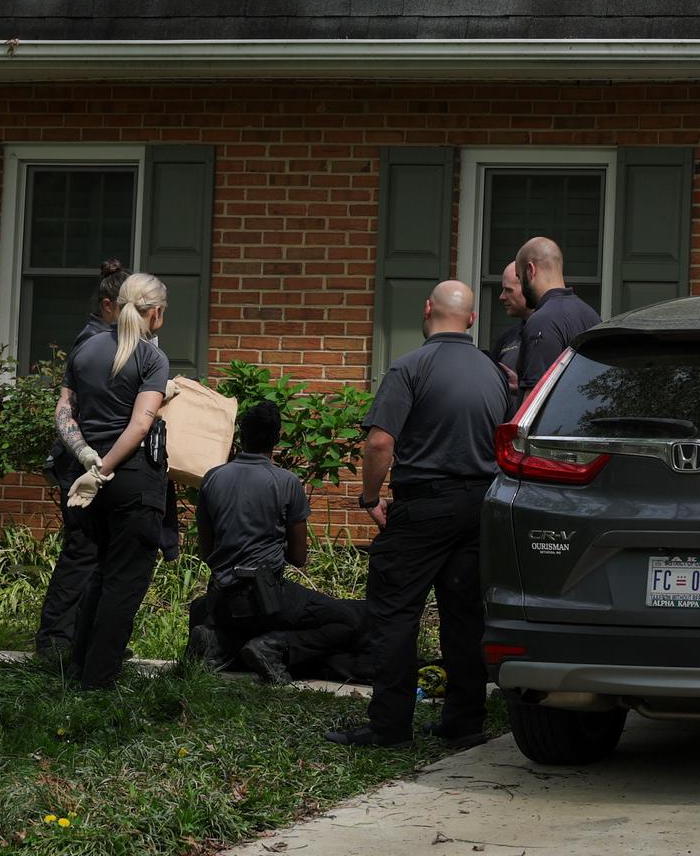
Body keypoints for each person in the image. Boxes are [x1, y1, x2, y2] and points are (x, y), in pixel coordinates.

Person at [324, 279, 506, 749]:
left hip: (424, 506)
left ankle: (390, 726)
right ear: (471, 319)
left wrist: (369, 498)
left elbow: (381, 442)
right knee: (464, 616)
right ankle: (464, 721)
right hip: (479, 507)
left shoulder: (410, 367)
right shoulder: (493, 372)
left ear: (428, 310)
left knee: (394, 614)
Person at [186, 400, 369, 682]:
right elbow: (298, 557)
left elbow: (207, 550)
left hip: (221, 600)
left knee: (236, 618)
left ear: (240, 435)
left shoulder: (213, 478)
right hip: (267, 599)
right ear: (277, 438)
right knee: (347, 620)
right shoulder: (286, 482)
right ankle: (274, 647)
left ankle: (220, 642)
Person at [62, 270, 173, 689]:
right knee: (124, 585)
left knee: (100, 574)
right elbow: (140, 426)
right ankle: (98, 682)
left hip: (88, 481)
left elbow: (64, 414)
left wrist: (86, 460)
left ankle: (78, 670)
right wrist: (105, 469)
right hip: (131, 482)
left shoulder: (86, 349)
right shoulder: (151, 357)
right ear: (156, 313)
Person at [35, 258, 127, 665]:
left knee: (95, 553)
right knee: (83, 552)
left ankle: (78, 638)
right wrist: (88, 456)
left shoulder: (118, 340)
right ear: (109, 305)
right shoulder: (92, 342)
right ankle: (55, 640)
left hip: (98, 465)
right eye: (131, 309)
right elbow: (70, 409)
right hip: (80, 466)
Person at [508, 237, 602, 394]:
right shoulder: (592, 317)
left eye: (519, 277)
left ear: (530, 270)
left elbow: (535, 399)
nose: (521, 284)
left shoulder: (541, 322)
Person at [491, 258, 533, 393]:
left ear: (528, 287)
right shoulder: (506, 338)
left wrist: (520, 387)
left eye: (508, 290)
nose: (502, 297)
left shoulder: (555, 330)